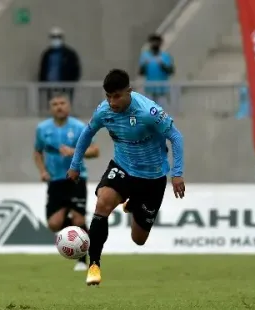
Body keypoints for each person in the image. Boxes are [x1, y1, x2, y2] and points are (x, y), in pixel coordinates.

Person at [67, 69, 185, 286]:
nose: (112, 102)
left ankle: (135, 203)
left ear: (129, 92)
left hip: (152, 176)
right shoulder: (104, 111)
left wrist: (177, 174)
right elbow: (87, 133)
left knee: (138, 239)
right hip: (123, 167)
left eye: (117, 96)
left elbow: (176, 137)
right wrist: (75, 164)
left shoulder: (148, 112)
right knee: (102, 202)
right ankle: (94, 265)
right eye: (108, 96)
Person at [34, 93, 99, 271]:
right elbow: (37, 152)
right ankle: (79, 235)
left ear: (68, 106)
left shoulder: (79, 127)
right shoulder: (42, 129)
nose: (59, 107)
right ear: (50, 108)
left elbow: (95, 151)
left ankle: (83, 261)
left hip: (76, 179)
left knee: (78, 219)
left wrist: (75, 152)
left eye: (62, 103)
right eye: (55, 104)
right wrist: (42, 171)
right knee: (54, 224)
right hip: (55, 181)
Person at [38, 27, 81, 113]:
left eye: (57, 37)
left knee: (64, 106)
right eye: (53, 37)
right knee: (53, 106)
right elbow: (43, 69)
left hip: (65, 86)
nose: (55, 39)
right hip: (49, 86)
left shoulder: (69, 54)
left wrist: (72, 81)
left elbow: (75, 69)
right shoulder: (47, 54)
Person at [138, 34, 174, 106]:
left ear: (160, 43)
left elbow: (171, 71)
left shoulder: (165, 56)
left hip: (162, 90)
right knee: (150, 111)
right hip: (149, 90)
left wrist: (162, 64)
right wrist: (144, 65)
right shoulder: (145, 56)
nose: (155, 44)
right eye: (153, 42)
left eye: (157, 42)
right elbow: (141, 73)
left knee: (162, 112)